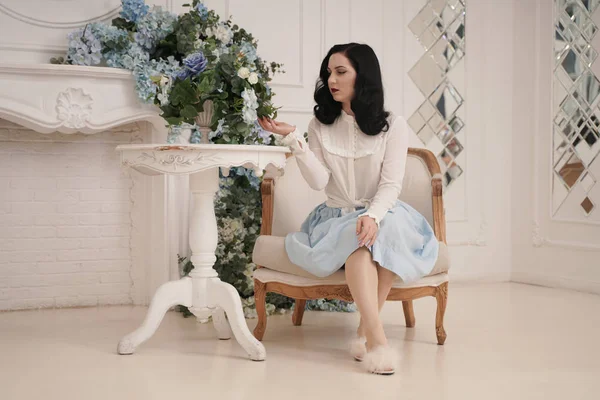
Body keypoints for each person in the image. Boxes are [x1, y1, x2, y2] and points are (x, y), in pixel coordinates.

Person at [258, 43, 439, 375]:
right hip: (337, 216)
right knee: (361, 246)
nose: (332, 79)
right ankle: (377, 339)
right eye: (329, 72)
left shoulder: (392, 125)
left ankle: (366, 333)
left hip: (384, 212)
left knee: (383, 234)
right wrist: (294, 139)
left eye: (341, 71)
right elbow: (318, 181)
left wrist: (372, 216)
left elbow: (390, 184)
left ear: (363, 76)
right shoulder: (320, 124)